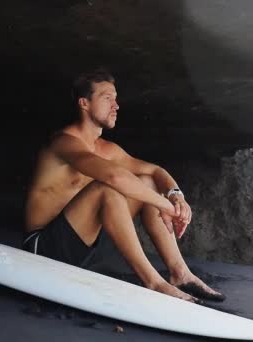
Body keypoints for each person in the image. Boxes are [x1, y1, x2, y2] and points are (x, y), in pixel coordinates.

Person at [22, 68, 224, 303]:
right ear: (84, 104)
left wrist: (176, 196)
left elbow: (155, 171)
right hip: (43, 250)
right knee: (105, 189)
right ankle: (154, 283)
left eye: (116, 99)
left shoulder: (108, 149)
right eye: (107, 98)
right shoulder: (63, 143)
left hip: (86, 248)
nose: (116, 106)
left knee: (147, 182)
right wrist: (166, 207)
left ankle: (180, 273)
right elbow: (114, 178)